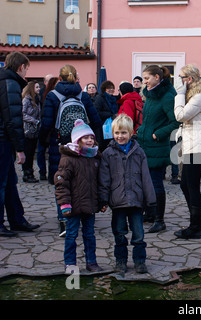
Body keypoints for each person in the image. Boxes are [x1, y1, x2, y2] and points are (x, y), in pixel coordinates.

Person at [39, 64, 101, 237]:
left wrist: (43, 141)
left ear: (60, 78)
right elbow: (95, 120)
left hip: (60, 145)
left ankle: (64, 220)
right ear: (76, 78)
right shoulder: (83, 95)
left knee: (62, 181)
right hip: (82, 144)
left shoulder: (52, 95)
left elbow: (46, 123)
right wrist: (95, 141)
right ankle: (86, 217)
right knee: (84, 179)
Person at [98, 114, 156, 273]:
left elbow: (146, 177)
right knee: (119, 234)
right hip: (117, 202)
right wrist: (103, 199)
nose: (120, 136)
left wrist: (151, 201)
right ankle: (121, 261)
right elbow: (104, 179)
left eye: (123, 133)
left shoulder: (139, 152)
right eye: (117, 133)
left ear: (131, 133)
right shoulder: (108, 154)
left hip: (136, 201)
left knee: (138, 235)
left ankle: (139, 261)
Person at [55, 119, 104, 273]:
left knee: (90, 235)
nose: (89, 140)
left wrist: (102, 201)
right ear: (78, 140)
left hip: (89, 204)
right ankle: (70, 263)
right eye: (85, 138)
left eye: (91, 137)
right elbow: (61, 183)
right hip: (74, 205)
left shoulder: (95, 157)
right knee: (71, 235)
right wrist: (64, 204)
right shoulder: (69, 159)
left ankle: (91, 261)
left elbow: (100, 182)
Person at [0, 52, 40, 237]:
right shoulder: (10, 83)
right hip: (3, 141)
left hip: (4, 139)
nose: (27, 73)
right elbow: (13, 119)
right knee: (2, 183)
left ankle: (17, 220)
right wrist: (20, 149)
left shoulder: (8, 81)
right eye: (27, 68)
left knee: (10, 183)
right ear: (20, 67)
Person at [137, 65, 180, 233]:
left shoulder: (168, 97)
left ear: (156, 77)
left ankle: (159, 220)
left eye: (147, 78)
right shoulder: (151, 95)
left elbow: (175, 122)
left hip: (157, 146)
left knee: (156, 183)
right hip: (144, 144)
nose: (144, 82)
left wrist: (158, 134)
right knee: (144, 182)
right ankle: (149, 213)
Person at [173, 64, 201, 239]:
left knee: (192, 186)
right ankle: (197, 224)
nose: (178, 80)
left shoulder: (198, 98)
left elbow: (180, 116)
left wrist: (180, 95)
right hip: (191, 144)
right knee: (185, 184)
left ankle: (196, 226)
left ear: (189, 79)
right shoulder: (195, 97)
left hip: (197, 145)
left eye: (181, 77)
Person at [37, 77, 58, 181]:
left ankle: (50, 174)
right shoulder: (46, 95)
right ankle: (43, 172)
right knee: (42, 151)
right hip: (46, 127)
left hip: (52, 128)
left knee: (52, 153)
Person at [21, 81, 41, 183]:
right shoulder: (26, 100)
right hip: (28, 130)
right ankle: (27, 174)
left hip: (34, 130)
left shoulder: (37, 99)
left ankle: (30, 173)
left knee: (31, 153)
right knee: (28, 153)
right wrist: (35, 121)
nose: (39, 89)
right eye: (37, 87)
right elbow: (23, 114)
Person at [94, 80, 118, 151]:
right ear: (104, 89)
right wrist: (110, 114)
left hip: (113, 124)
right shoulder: (100, 98)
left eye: (112, 88)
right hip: (103, 125)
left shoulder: (114, 99)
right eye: (109, 88)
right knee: (104, 146)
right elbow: (97, 111)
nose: (111, 90)